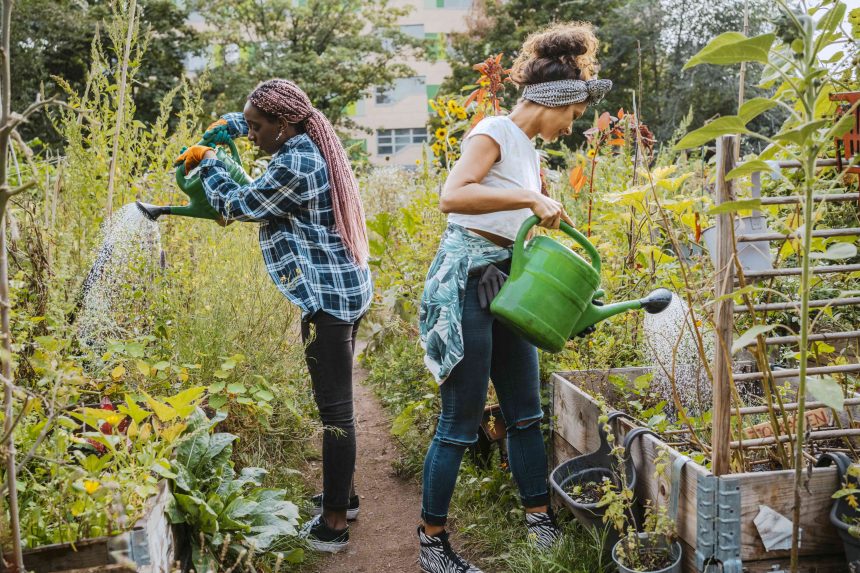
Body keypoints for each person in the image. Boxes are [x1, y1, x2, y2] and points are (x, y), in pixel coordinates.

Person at [416, 23, 611, 572]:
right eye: (574, 114)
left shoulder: (528, 151)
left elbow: (512, 227)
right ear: (558, 101)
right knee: (459, 420)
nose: (574, 125)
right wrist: (528, 196)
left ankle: (539, 520)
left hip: (507, 281)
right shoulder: (495, 130)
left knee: (526, 414)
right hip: (464, 285)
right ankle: (432, 543)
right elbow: (452, 197)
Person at [175, 78, 372, 554]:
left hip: (329, 299)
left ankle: (334, 524)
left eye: (257, 127)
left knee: (335, 414)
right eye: (248, 127)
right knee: (336, 407)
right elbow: (266, 186)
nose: (251, 135)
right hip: (344, 287)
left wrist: (210, 164)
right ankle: (343, 496)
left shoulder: (298, 160)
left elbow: (243, 204)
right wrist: (230, 133)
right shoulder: (302, 145)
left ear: (284, 124)